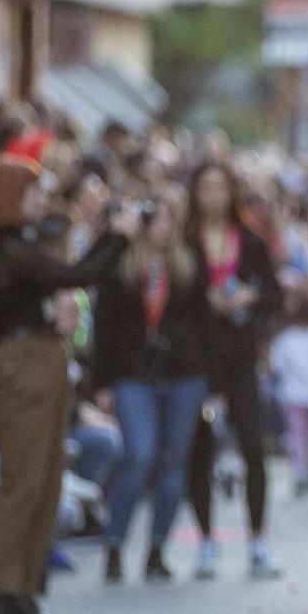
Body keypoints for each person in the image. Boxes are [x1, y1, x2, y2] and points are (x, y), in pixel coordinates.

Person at [0, 157, 133, 614]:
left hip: (41, 358)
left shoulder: (18, 247)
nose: (40, 200)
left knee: (45, 483)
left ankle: (23, 591)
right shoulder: (3, 248)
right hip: (21, 363)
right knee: (22, 483)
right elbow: (75, 274)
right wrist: (117, 235)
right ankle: (0, 594)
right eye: (31, 193)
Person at [92, 197, 210, 584]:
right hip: (133, 373)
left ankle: (158, 546)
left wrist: (212, 378)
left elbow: (204, 319)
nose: (162, 226)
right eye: (154, 219)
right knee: (138, 455)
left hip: (183, 372)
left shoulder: (189, 263)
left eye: (168, 218)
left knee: (175, 461)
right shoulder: (122, 265)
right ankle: (115, 542)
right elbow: (104, 323)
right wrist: (102, 381)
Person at [182, 160, 284, 580]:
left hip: (241, 356)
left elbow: (275, 296)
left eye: (220, 188)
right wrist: (205, 299)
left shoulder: (251, 242)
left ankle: (257, 540)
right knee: (199, 450)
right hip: (198, 356)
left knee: (252, 448)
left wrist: (247, 299)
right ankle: (206, 539)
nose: (213, 196)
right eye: (205, 187)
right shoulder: (185, 243)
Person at [270, 298, 308, 497]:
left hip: (294, 394)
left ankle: (300, 470)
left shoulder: (286, 339)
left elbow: (276, 366)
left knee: (297, 434)